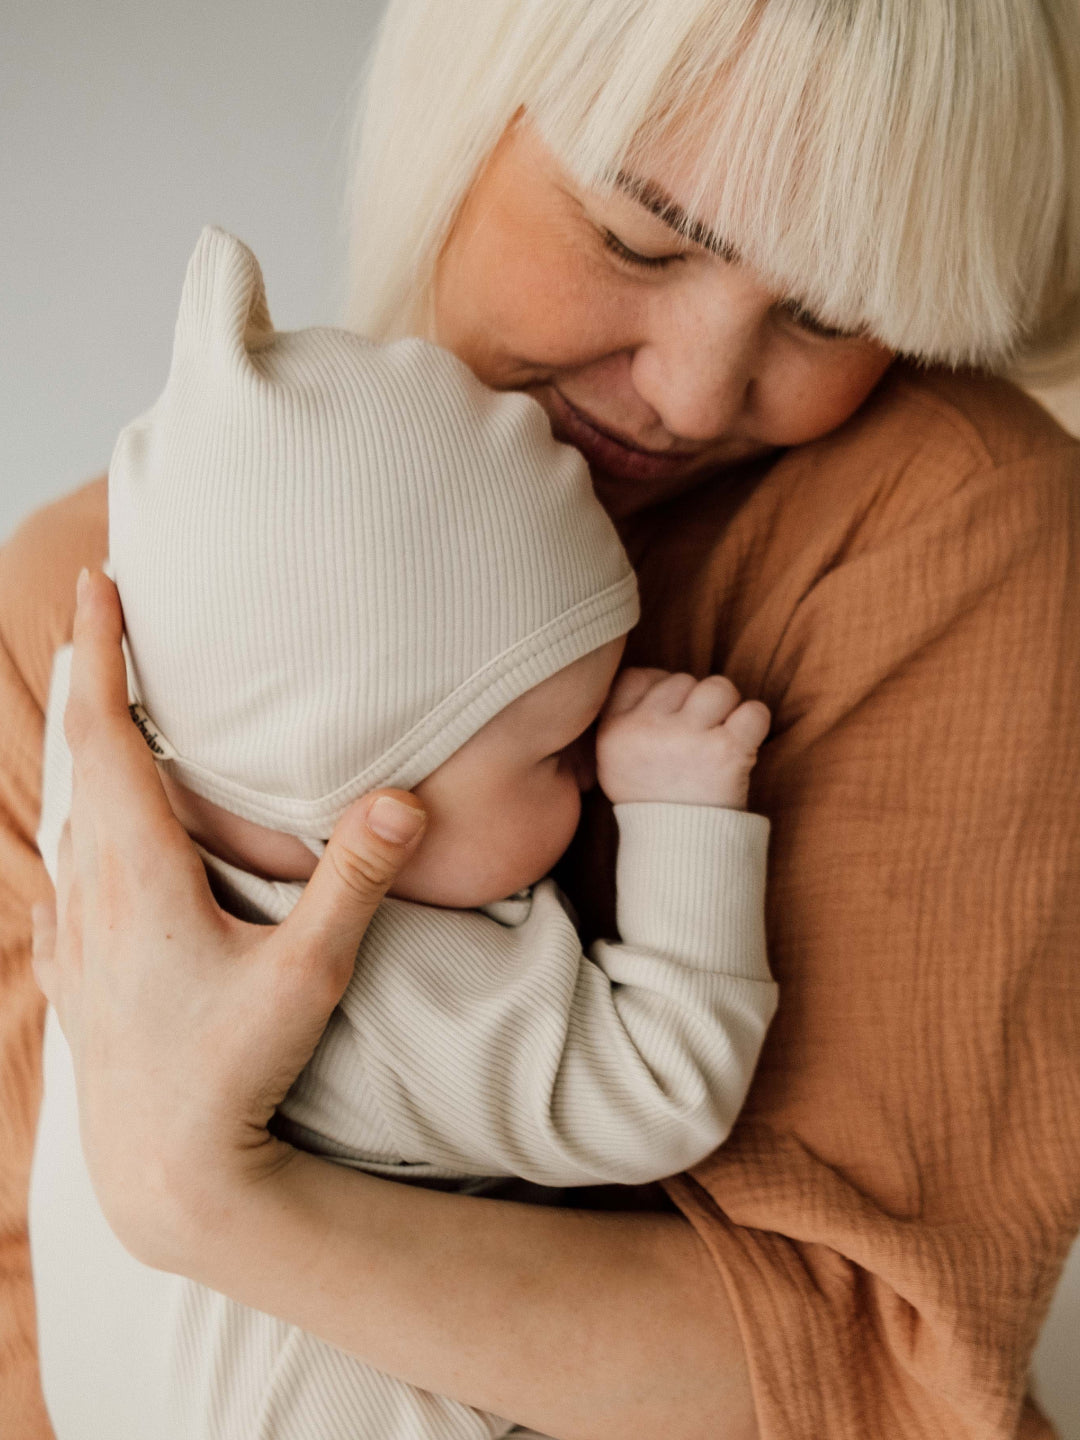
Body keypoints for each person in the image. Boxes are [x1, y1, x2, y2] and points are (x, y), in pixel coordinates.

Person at [6, 1, 1080, 1436]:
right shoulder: (80, 623)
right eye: (639, 237)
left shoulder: (948, 523)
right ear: (460, 120)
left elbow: (888, 1380)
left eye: (827, 308)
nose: (692, 392)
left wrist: (205, 1200)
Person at [35, 223, 775, 1438]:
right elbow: (668, 1086)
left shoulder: (117, 848)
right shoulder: (383, 995)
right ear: (359, 811)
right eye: (556, 747)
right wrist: (685, 809)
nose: (593, 768)